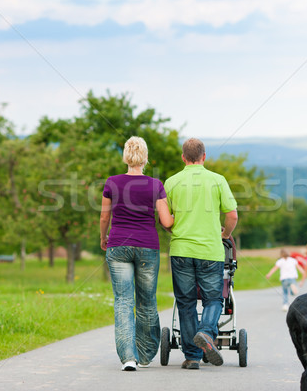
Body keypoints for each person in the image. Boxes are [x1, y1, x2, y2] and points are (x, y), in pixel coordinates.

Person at [100, 136, 174, 371]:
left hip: (118, 244)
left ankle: (128, 358)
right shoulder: (155, 185)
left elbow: (104, 217)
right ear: (145, 158)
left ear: (126, 156)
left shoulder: (112, 182)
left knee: (123, 301)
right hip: (147, 247)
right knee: (147, 302)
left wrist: (104, 237)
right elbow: (165, 221)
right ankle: (145, 355)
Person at [164, 138, 238, 370]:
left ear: (183, 158)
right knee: (214, 298)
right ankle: (206, 332)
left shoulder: (171, 182)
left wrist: (173, 229)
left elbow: (165, 220)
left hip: (181, 250)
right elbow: (232, 215)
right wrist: (225, 233)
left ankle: (193, 357)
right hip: (210, 251)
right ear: (204, 157)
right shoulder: (217, 180)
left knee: (185, 303)